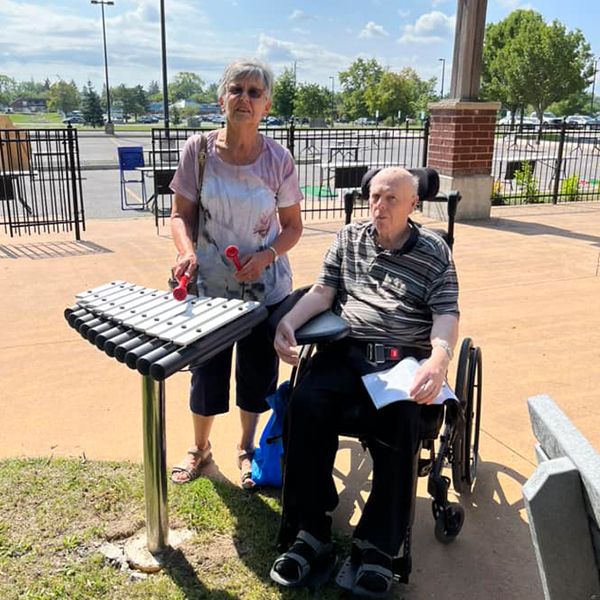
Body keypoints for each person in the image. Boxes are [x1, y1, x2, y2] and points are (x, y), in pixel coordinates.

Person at [269, 167, 459, 595]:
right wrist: (288, 323)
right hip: (345, 351)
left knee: (402, 421)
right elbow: (322, 292)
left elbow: (447, 314)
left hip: (400, 362)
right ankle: (310, 531)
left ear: (414, 205)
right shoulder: (348, 237)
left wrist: (438, 360)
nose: (380, 206)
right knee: (303, 404)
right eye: (375, 196)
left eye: (392, 199)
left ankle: (377, 546)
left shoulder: (434, 252)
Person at [168, 58, 303, 489]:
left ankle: (246, 449)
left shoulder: (278, 160)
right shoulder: (199, 151)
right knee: (206, 371)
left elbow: (294, 227)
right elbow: (179, 215)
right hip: (209, 286)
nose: (244, 98)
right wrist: (186, 253)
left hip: (265, 288)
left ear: (267, 105)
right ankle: (200, 449)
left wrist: (265, 256)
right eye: (237, 89)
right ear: (221, 98)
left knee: (256, 372)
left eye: (254, 92)